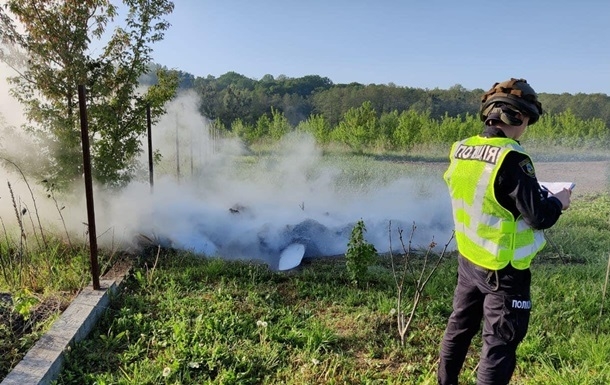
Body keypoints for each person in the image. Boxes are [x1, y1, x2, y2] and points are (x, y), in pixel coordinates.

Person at [437, 78, 572, 385]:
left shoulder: (461, 150)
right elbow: (539, 217)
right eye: (527, 122)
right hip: (504, 271)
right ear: (519, 117)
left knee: (458, 328)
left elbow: (487, 196)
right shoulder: (512, 157)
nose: (525, 129)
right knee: (498, 345)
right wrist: (558, 201)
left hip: (469, 259)